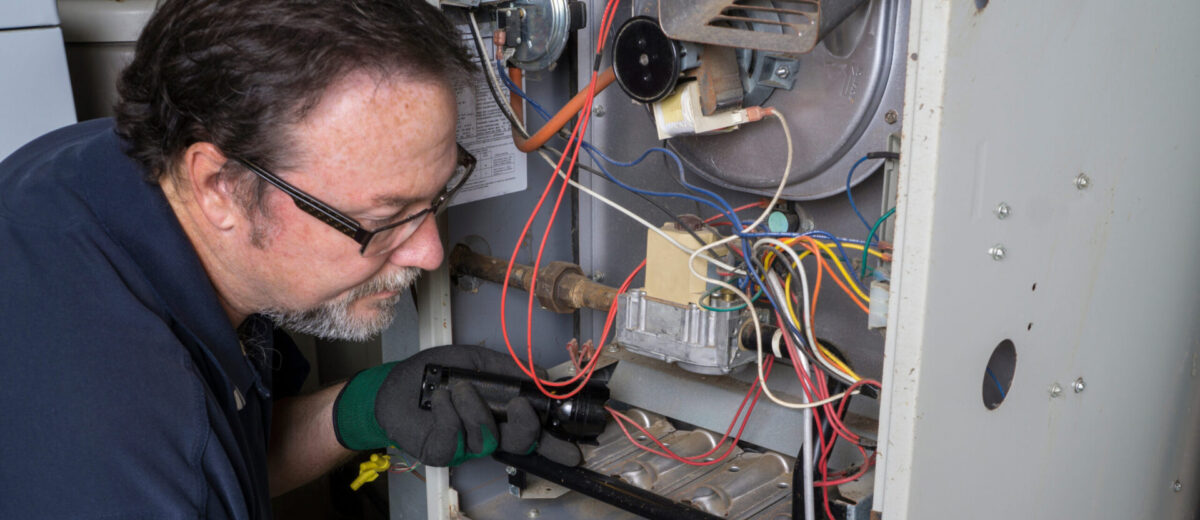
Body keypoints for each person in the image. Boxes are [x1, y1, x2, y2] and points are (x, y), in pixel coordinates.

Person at [0, 0, 577, 517]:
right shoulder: (122, 449)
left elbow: (233, 455)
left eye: (435, 197)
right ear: (218, 185)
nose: (428, 252)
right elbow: (189, 468)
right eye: (382, 220)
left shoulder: (103, 163)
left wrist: (366, 406)